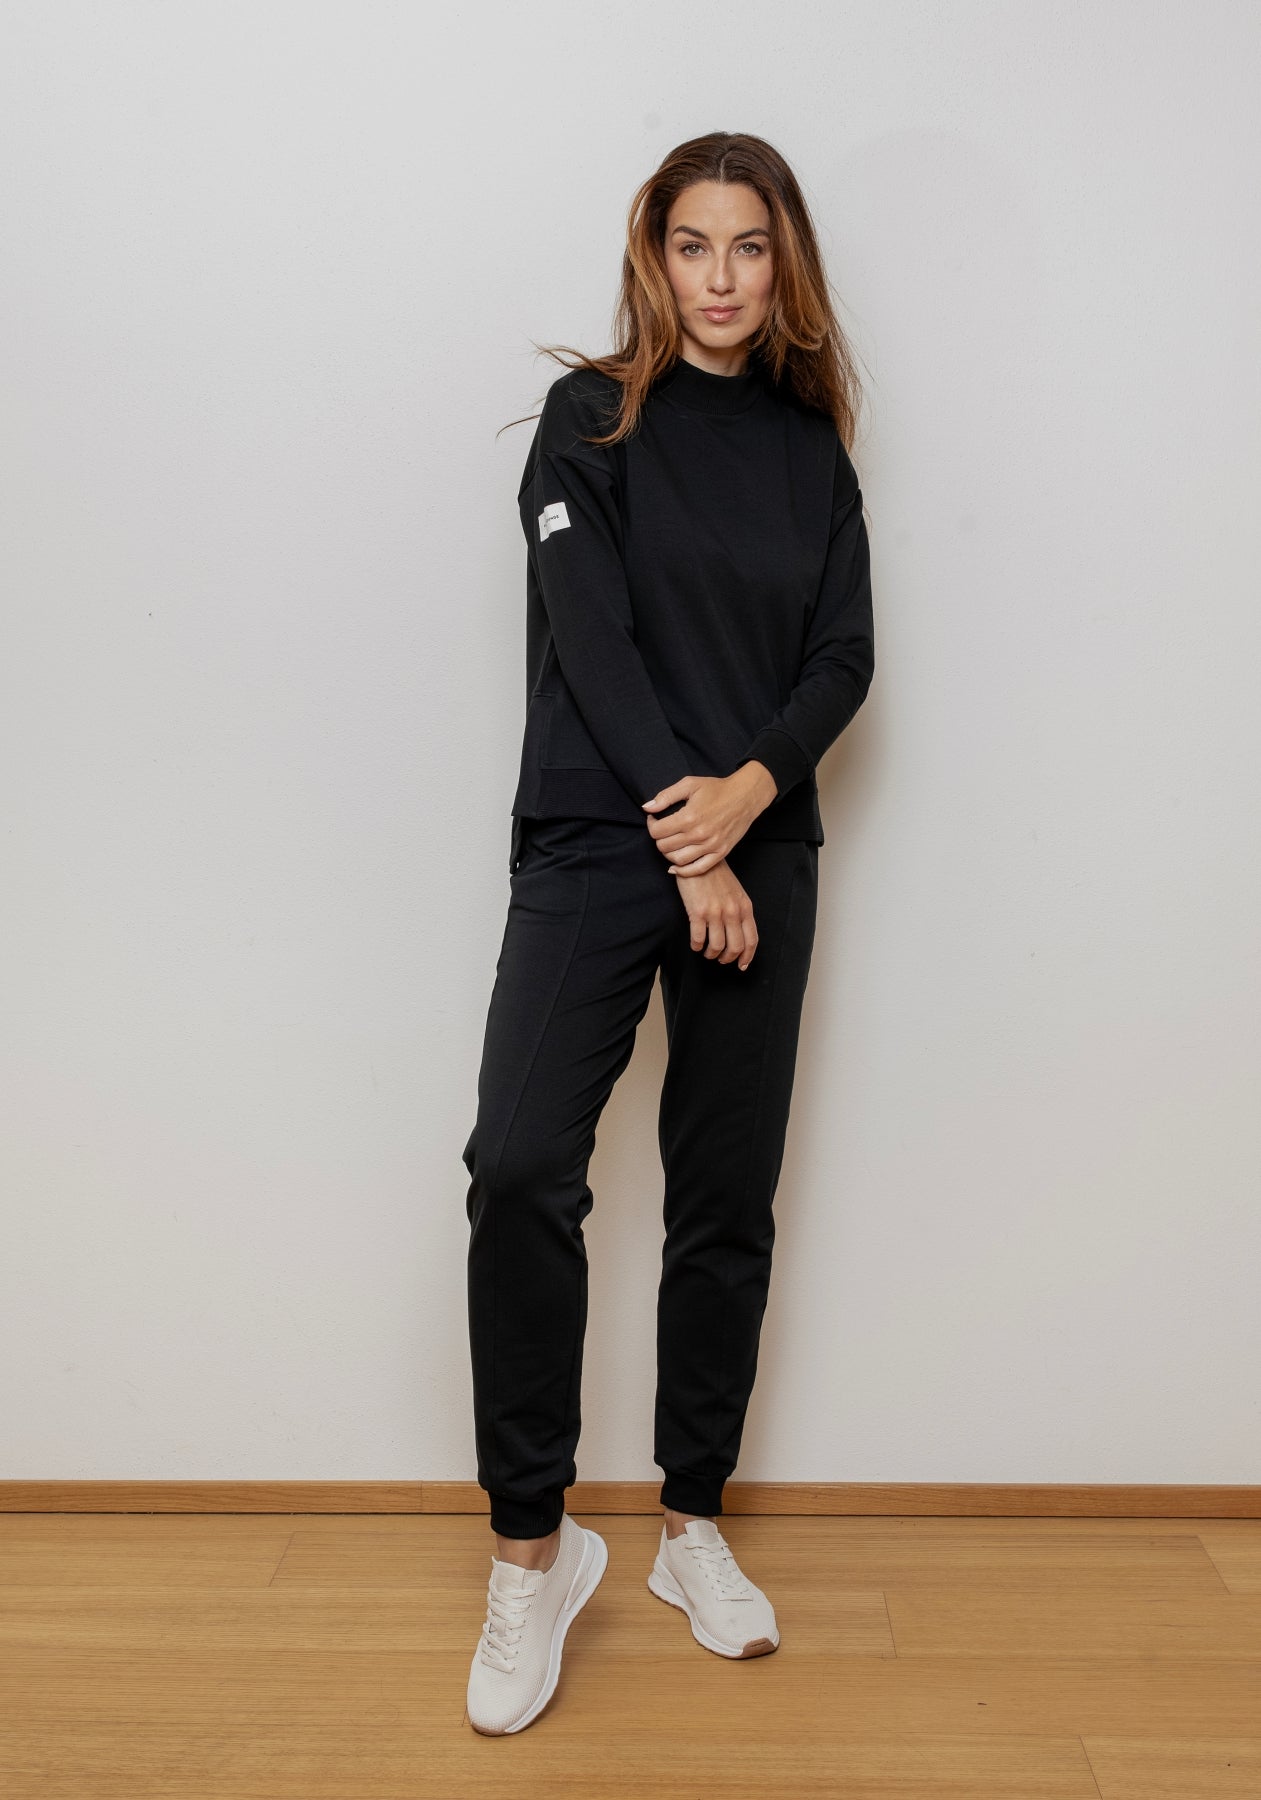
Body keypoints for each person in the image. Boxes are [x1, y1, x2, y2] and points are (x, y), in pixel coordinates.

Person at [461, 130, 875, 1735]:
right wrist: (684, 833)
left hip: (759, 847)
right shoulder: (589, 422)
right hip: (597, 832)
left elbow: (841, 658)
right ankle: (532, 1549)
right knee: (518, 1166)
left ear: (783, 265)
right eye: (692, 245)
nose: (719, 277)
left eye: (748, 247)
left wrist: (746, 798)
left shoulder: (809, 450)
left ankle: (689, 1523)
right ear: (654, 256)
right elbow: (595, 638)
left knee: (722, 1197)